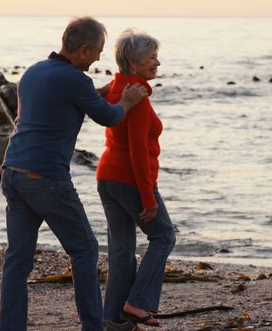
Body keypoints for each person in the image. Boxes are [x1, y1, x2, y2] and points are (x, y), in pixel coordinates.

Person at [0, 17, 148, 331]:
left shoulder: (34, 71)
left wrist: (109, 90)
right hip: (46, 179)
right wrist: (128, 100)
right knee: (84, 249)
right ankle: (94, 326)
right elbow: (108, 116)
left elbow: (74, 99)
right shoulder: (75, 81)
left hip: (12, 172)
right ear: (83, 50)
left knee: (18, 261)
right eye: (96, 53)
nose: (97, 59)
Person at [96, 29, 176, 328]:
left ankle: (113, 319)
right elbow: (138, 153)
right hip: (128, 178)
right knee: (163, 236)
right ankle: (137, 303)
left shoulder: (118, 86)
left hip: (107, 176)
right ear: (133, 62)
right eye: (152, 58)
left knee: (121, 250)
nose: (158, 63)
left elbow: (107, 92)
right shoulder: (137, 97)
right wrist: (148, 198)